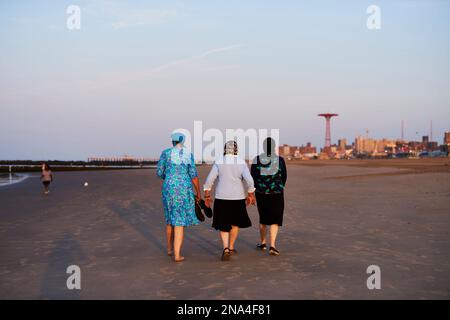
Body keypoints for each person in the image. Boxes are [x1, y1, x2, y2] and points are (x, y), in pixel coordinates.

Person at [203, 141, 256, 261]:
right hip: (238, 197)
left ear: (225, 149)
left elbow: (210, 178)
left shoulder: (219, 161)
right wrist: (250, 193)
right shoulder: (241, 162)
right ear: (236, 150)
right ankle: (231, 246)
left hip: (222, 197)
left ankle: (225, 248)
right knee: (235, 223)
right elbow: (249, 180)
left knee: (223, 223)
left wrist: (207, 194)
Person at [157, 132, 201, 262]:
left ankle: (170, 248)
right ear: (183, 141)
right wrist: (198, 192)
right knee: (179, 221)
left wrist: (169, 177)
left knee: (170, 218)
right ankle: (177, 255)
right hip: (184, 189)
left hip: (169, 188)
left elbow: (159, 172)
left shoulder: (166, 153)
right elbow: (193, 175)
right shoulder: (188, 154)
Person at [251, 137, 287, 256]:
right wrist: (279, 186)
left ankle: (263, 243)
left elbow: (253, 177)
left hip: (261, 193)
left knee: (263, 218)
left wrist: (254, 189)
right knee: (275, 220)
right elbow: (284, 176)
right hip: (276, 193)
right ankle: (273, 245)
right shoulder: (279, 160)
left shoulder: (257, 159)